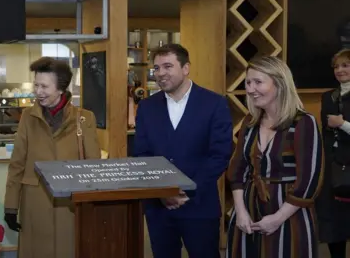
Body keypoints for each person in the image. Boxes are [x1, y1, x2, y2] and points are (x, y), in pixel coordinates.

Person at [133, 43, 233, 258]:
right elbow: (142, 154)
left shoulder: (214, 103)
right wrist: (162, 192)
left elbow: (220, 154)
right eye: (157, 68)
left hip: (200, 205)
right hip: (159, 208)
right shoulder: (146, 107)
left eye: (167, 66)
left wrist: (185, 190)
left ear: (186, 68)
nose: (160, 74)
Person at [225, 56, 324, 258]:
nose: (251, 89)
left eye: (258, 82)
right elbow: (237, 171)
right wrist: (240, 212)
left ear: (279, 84)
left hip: (289, 215)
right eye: (248, 82)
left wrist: (277, 218)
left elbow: (309, 181)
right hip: (248, 215)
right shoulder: (250, 123)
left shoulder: (304, 123)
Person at [4, 57, 101, 258]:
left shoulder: (84, 118)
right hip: (35, 203)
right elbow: (17, 164)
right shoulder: (28, 117)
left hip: (72, 205)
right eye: (36, 85)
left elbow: (93, 165)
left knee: (71, 250)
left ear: (61, 88)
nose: (38, 92)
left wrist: (94, 203)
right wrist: (11, 205)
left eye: (44, 86)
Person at [316, 48, 350, 258]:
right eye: (336, 66)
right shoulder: (328, 96)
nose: (340, 70)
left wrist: (343, 124)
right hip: (332, 166)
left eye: (345, 65)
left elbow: (338, 125)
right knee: (332, 220)